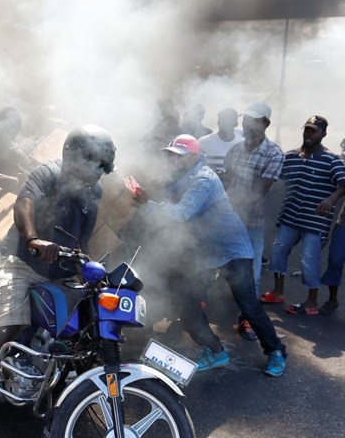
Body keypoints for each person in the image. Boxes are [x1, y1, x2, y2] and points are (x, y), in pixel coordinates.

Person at [0, 125, 115, 438]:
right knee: (4, 330)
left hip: (62, 274)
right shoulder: (47, 173)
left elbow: (83, 238)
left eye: (102, 169)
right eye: (95, 166)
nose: (98, 175)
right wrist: (33, 239)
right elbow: (24, 203)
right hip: (21, 264)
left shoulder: (92, 192)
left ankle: (57, 418)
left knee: (81, 338)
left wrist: (89, 267)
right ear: (72, 157)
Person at [130, 134, 287, 377]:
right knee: (186, 303)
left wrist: (147, 203)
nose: (173, 160)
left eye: (179, 156)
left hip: (232, 251)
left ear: (193, 157)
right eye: (171, 155)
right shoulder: (179, 178)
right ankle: (215, 351)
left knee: (248, 306)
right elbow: (165, 203)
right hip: (204, 255)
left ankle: (276, 351)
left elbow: (180, 214)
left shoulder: (204, 179)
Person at [262, 116, 345, 315]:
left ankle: (312, 301)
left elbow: (344, 183)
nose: (309, 134)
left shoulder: (331, 160)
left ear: (323, 134)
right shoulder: (291, 156)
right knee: (278, 251)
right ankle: (278, 292)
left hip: (315, 221)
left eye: (314, 131)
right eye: (307, 129)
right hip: (290, 216)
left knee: (309, 259)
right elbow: (276, 177)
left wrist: (331, 199)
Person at [221, 101, 283, 340]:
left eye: (252, 120)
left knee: (253, 273)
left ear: (266, 123)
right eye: (245, 119)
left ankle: (247, 319)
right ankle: (200, 309)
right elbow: (227, 179)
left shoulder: (273, 153)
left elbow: (260, 190)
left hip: (251, 223)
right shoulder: (236, 150)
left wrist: (231, 198)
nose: (246, 124)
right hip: (227, 219)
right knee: (211, 263)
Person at [198, 108, 243, 175]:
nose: (226, 123)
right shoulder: (203, 142)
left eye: (230, 120)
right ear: (218, 122)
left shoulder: (242, 144)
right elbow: (196, 167)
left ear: (236, 123)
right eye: (223, 120)